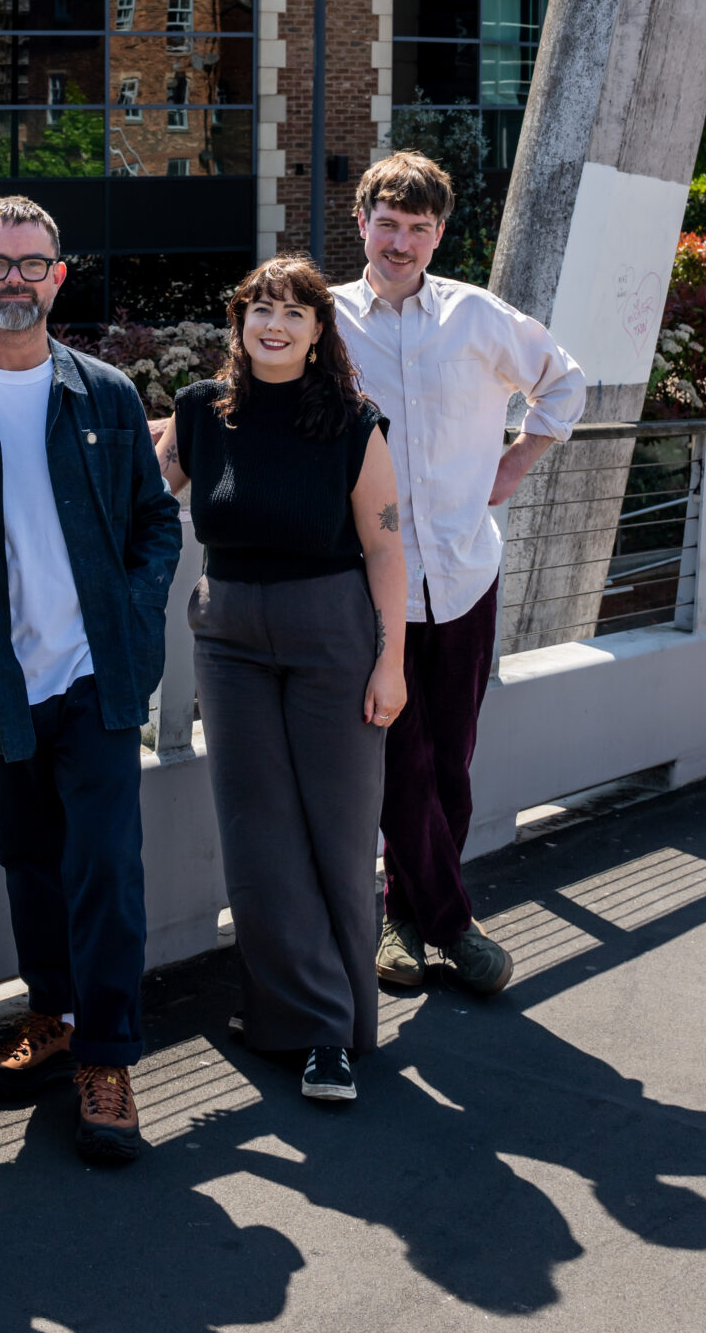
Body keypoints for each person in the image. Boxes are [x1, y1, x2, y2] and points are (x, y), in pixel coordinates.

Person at [0, 197, 183, 1165]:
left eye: (31, 264)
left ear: (59, 277)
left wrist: (130, 612)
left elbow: (157, 523)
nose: (13, 281)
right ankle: (51, 1012)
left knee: (107, 867)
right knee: (27, 860)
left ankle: (109, 1056)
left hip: (94, 674)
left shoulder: (105, 396)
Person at [154, 257, 408, 1104]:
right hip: (226, 636)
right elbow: (143, 496)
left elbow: (383, 547)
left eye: (293, 313)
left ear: (316, 331)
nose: (274, 324)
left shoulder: (350, 421)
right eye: (259, 309)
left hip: (330, 632)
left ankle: (332, 1028)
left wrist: (391, 660)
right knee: (257, 837)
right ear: (238, 321)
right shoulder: (199, 412)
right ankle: (292, 1018)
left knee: (337, 833)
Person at [333, 152, 585, 998]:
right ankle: (453, 925)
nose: (399, 242)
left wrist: (513, 469)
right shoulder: (326, 320)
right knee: (398, 758)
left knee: (450, 763)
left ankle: (404, 919)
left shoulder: (478, 318)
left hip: (467, 574)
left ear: (437, 233)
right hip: (372, 585)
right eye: (386, 223)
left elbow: (564, 385)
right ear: (359, 222)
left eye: (416, 227)